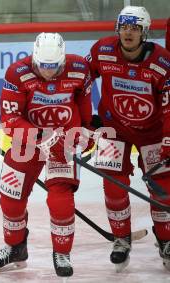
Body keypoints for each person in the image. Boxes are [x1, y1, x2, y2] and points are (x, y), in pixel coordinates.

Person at [0, 32, 93, 277]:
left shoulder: (79, 69)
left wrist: (86, 130)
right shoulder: (17, 73)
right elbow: (10, 120)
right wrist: (40, 135)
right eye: (43, 66)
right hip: (28, 140)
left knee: (60, 199)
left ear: (63, 61)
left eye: (53, 67)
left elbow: (84, 102)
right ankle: (15, 248)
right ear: (34, 58)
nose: (48, 72)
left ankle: (62, 252)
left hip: (63, 142)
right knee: (10, 195)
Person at [86, 6, 170, 272]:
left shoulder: (162, 61)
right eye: (124, 26)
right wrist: (84, 121)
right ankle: (121, 239)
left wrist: (168, 140)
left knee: (163, 189)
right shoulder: (102, 50)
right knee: (113, 186)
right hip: (114, 130)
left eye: (135, 28)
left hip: (152, 133)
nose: (128, 32)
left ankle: (166, 239)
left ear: (145, 32)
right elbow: (80, 82)